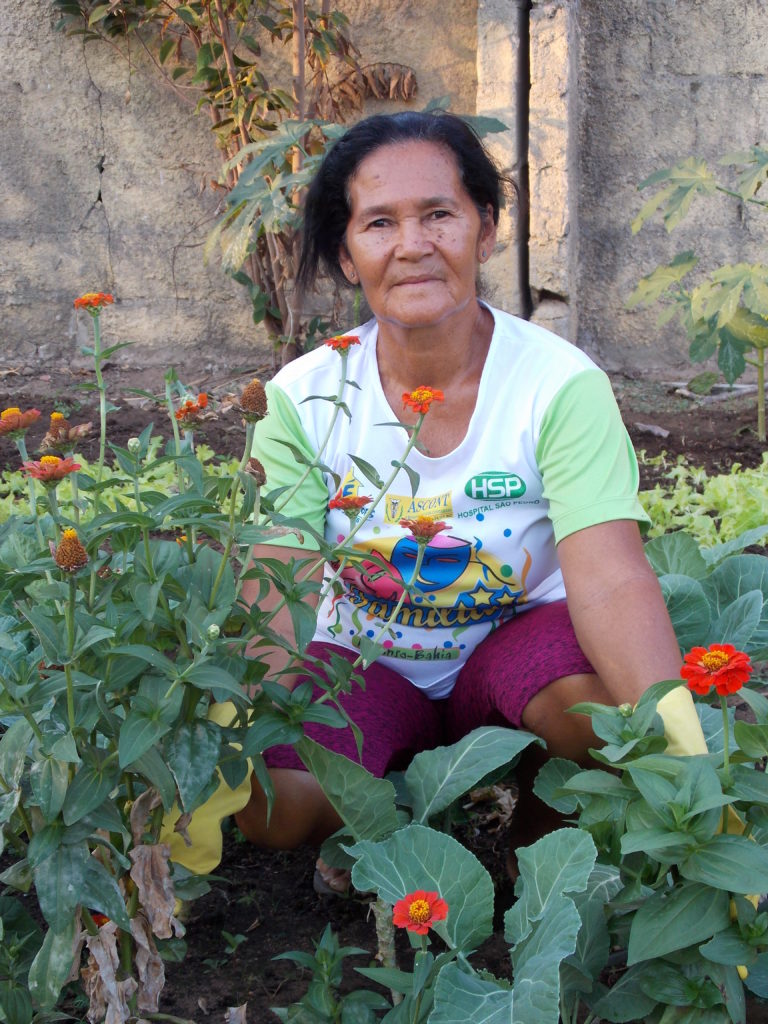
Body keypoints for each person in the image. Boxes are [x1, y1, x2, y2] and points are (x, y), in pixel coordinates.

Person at [232, 110, 707, 891]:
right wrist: (227, 731)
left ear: (486, 230)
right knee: (276, 803)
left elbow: (611, 577)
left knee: (592, 713)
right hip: (365, 660)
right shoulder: (303, 399)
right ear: (348, 256)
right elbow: (276, 579)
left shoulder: (557, 385)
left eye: (440, 214)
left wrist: (686, 752)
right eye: (379, 222)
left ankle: (540, 830)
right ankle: (379, 823)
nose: (413, 244)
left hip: (513, 656)